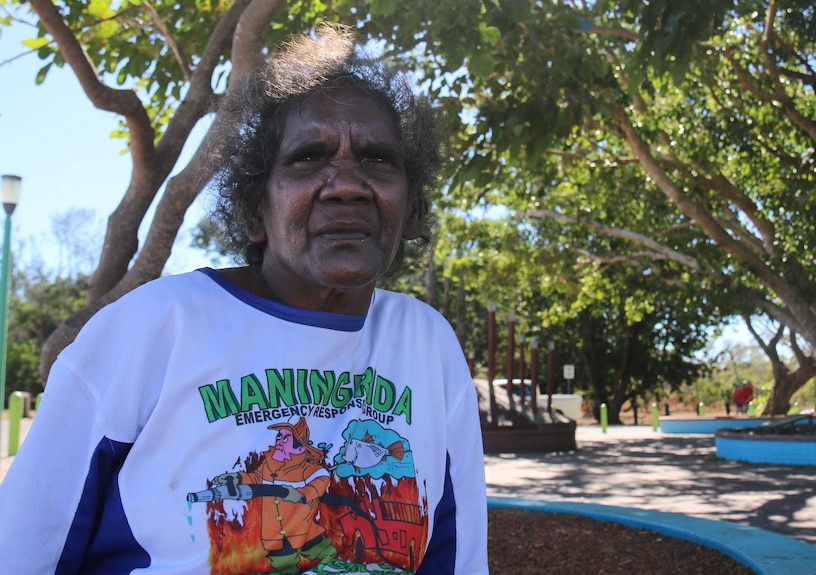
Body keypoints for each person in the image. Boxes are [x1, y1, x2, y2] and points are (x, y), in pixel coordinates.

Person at [0, 24, 488, 575]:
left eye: (377, 159)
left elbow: (457, 556)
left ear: (412, 210)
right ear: (255, 211)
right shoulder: (152, 327)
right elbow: (23, 550)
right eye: (308, 158)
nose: (347, 184)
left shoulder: (428, 345)